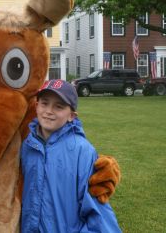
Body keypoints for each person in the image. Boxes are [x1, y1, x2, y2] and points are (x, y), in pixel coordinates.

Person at [20, 79, 121, 233]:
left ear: (71, 116)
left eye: (58, 106)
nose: (49, 111)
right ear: (36, 105)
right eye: (44, 103)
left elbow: (96, 210)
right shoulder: (26, 145)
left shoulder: (83, 151)